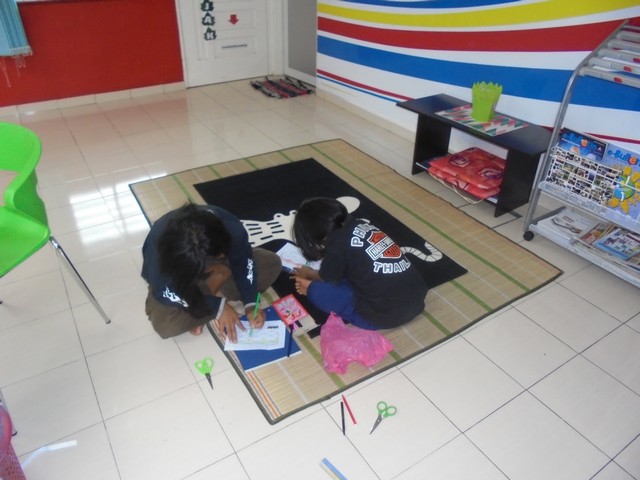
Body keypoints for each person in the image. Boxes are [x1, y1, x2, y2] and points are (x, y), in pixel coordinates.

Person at [141, 203, 282, 341]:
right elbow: (165, 291)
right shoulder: (160, 246)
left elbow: (244, 262)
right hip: (179, 280)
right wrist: (217, 307)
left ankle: (207, 294)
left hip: (218, 265)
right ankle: (215, 285)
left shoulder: (230, 226)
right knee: (166, 325)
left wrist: (250, 303)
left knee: (270, 263)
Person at [291, 197, 428, 330]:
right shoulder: (362, 224)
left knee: (318, 290)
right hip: (416, 300)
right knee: (350, 272)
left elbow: (325, 277)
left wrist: (308, 272)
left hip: (384, 315)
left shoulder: (336, 245)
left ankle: (309, 288)